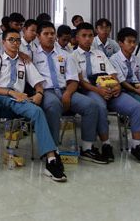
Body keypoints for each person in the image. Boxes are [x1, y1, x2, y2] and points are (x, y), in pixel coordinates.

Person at [0, 28, 67, 182]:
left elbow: (38, 83)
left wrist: (39, 93)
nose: (15, 43)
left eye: (17, 40)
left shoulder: (25, 62)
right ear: (3, 42)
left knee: (37, 112)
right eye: (11, 39)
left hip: (17, 99)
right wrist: (10, 92)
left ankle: (51, 159)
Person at [73, 22, 140, 164]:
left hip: (110, 89)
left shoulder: (100, 54)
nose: (88, 39)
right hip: (90, 91)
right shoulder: (73, 56)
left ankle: (136, 146)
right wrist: (99, 91)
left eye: (90, 36)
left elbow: (113, 73)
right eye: (84, 36)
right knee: (100, 107)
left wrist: (117, 86)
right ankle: (106, 144)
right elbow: (81, 81)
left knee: (137, 107)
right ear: (77, 37)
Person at [33, 22, 107, 164]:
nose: (50, 36)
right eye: (46, 34)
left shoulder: (65, 55)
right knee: (53, 105)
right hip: (46, 91)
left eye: (52, 33)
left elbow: (73, 80)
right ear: (38, 36)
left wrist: (67, 94)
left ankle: (87, 148)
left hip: (65, 90)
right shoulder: (32, 56)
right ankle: (53, 150)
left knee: (91, 105)